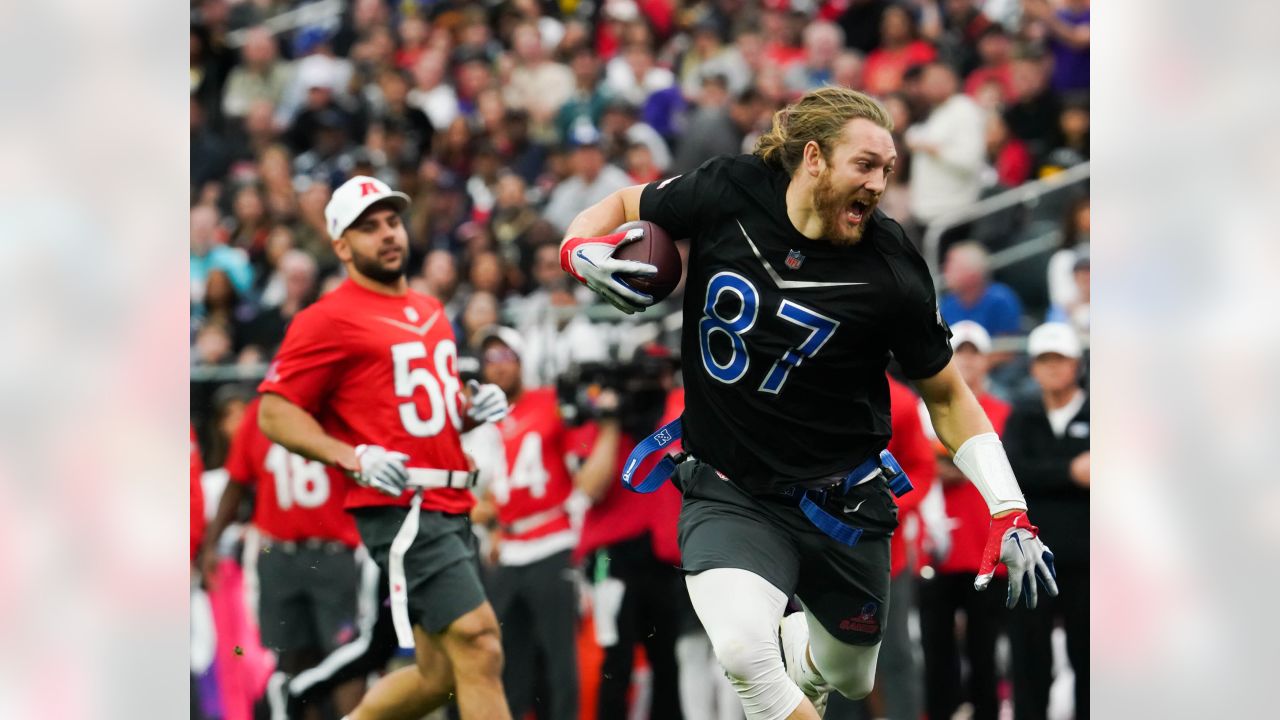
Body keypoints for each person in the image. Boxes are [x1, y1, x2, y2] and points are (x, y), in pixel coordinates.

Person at [558, 86, 1057, 720]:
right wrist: (577, 247)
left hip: (841, 501)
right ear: (814, 157)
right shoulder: (731, 188)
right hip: (730, 486)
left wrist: (1008, 508)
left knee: (849, 677)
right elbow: (628, 201)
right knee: (743, 654)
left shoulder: (892, 267)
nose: (879, 185)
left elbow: (949, 396)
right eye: (866, 165)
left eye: (888, 170)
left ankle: (806, 654)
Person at [256, 175, 515, 720]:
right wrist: (352, 456)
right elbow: (273, 410)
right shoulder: (324, 318)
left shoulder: (429, 308)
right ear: (342, 246)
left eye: (392, 222)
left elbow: (420, 417)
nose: (388, 234)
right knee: (480, 640)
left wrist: (469, 412)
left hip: (450, 502)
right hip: (406, 508)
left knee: (439, 676)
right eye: (368, 228)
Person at [471, 325, 621, 719]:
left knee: (560, 659)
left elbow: (582, 470)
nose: (498, 368)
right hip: (508, 547)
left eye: (505, 357)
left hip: (552, 542)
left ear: (522, 360)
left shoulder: (550, 401)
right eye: (490, 359)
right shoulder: (484, 418)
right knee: (506, 660)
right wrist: (491, 521)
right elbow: (487, 484)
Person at [198, 396, 367, 719]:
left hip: (330, 556)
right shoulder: (264, 414)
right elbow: (237, 481)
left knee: (344, 660)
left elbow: (235, 485)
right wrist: (211, 544)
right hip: (283, 555)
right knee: (294, 662)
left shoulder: (325, 409)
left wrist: (210, 543)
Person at [917, 321, 1011, 720]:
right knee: (937, 654)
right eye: (960, 352)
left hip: (987, 549)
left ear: (987, 361)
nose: (966, 361)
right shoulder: (926, 412)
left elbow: (949, 463)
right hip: (935, 549)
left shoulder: (1003, 412)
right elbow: (926, 463)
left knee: (984, 653)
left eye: (973, 353)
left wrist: (942, 462)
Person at [1002, 322, 1090, 720]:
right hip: (1032, 559)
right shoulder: (1023, 416)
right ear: (1033, 367)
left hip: (1090, 559)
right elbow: (1015, 474)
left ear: (1077, 365)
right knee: (1029, 662)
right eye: (1044, 360)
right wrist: (1071, 471)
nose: (1053, 368)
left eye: (1061, 359)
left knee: (1091, 659)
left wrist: (1046, 474)